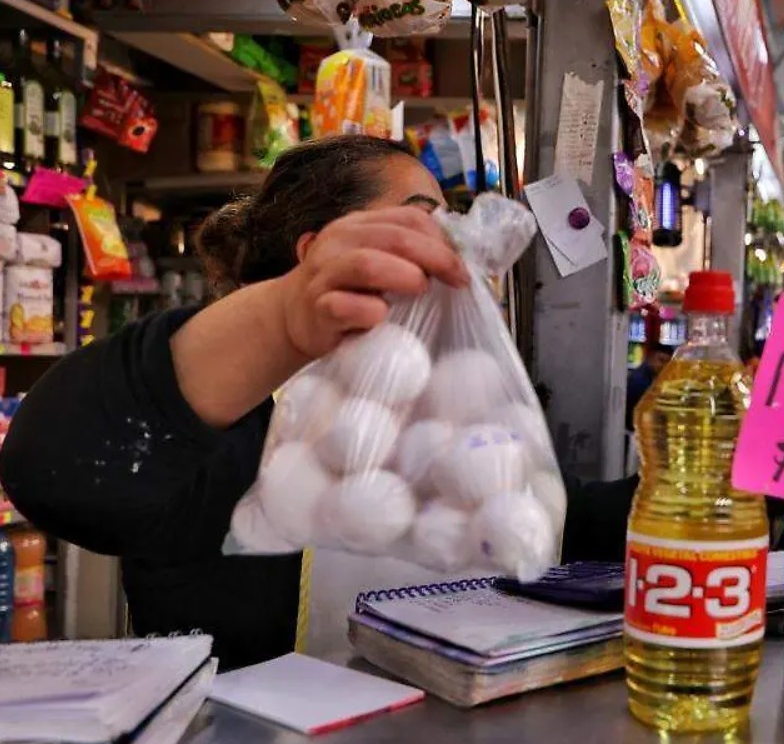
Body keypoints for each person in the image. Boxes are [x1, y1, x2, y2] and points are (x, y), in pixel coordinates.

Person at [0, 136, 635, 669]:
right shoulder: (233, 421)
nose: (449, 247)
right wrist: (284, 316)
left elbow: (569, 523)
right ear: (315, 251)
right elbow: (54, 467)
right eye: (422, 221)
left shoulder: (440, 420)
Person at [625, 340, 674, 430]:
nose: (664, 366)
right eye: (661, 360)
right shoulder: (639, 380)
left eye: (667, 362)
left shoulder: (653, 377)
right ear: (650, 358)